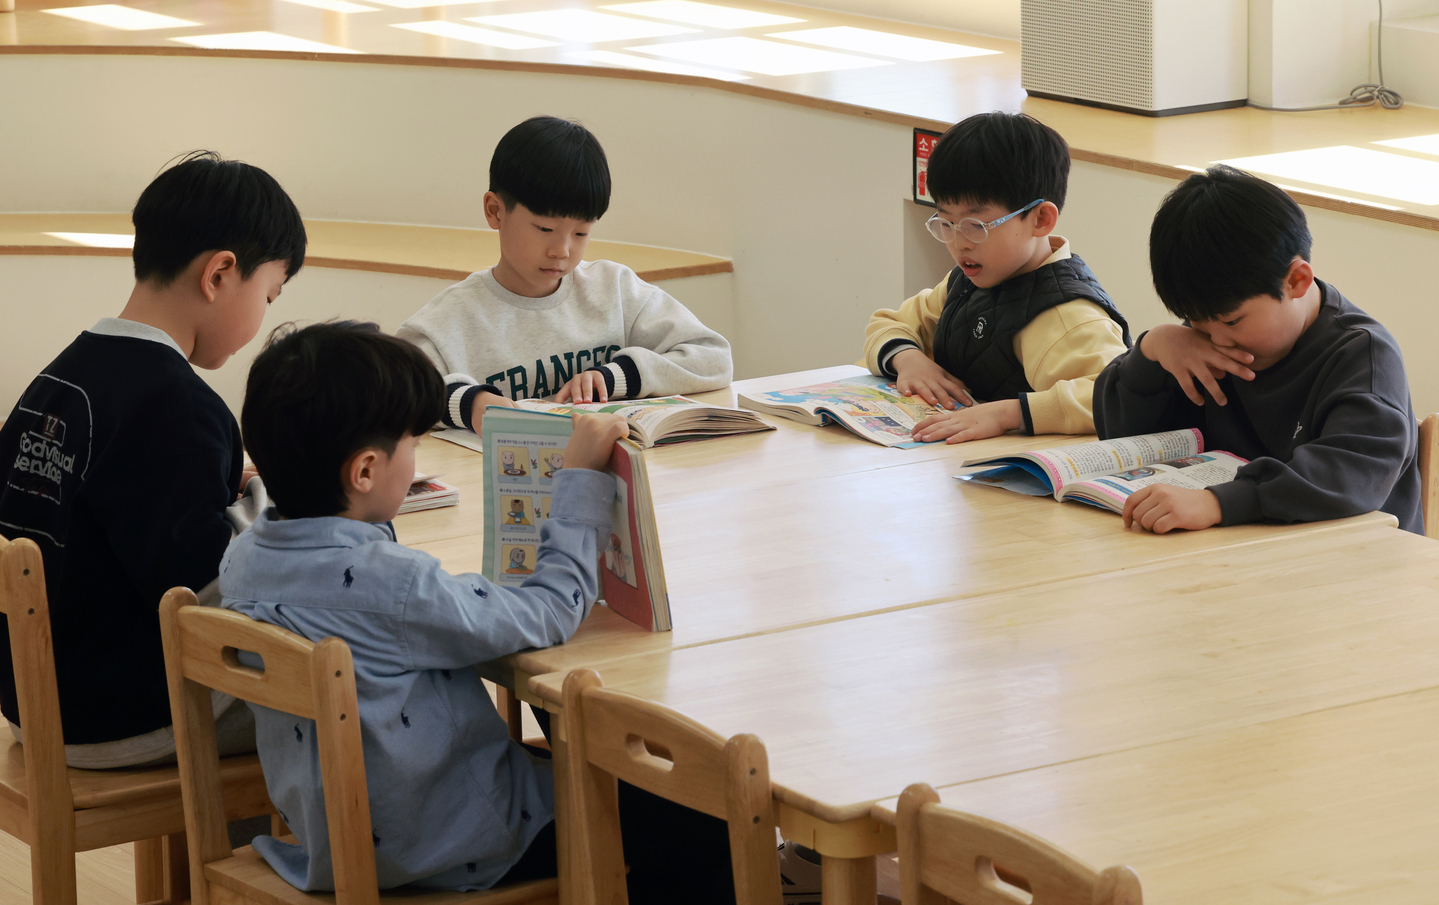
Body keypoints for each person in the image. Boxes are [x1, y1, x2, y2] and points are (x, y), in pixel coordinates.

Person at [224, 322, 737, 903]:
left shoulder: (246, 554)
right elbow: (550, 612)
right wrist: (577, 481)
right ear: (365, 471)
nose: (415, 456)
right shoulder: (397, 589)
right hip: (450, 843)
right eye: (411, 443)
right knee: (697, 809)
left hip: (334, 839)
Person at [0, 151, 305, 767]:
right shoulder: (178, 407)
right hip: (125, 712)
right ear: (220, 274)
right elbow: (214, 605)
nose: (263, 314)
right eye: (268, 295)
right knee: (338, 693)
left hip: (37, 698)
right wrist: (270, 505)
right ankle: (262, 861)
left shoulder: (60, 379)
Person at [1093, 165, 1422, 534]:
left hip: (1354, 568)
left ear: (1297, 280)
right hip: (1234, 554)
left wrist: (1218, 502)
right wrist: (1151, 350)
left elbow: (1349, 473)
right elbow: (1121, 435)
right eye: (1196, 321)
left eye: (1233, 321)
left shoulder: (1363, 356)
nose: (1216, 340)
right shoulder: (1207, 336)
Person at [397, 116, 733, 437]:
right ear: (495, 211)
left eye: (581, 233)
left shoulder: (615, 290)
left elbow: (713, 357)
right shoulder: (448, 321)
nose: (562, 250)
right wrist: (472, 404)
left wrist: (616, 377)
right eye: (545, 228)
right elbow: (398, 397)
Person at [862, 111, 1131, 443]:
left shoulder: (1068, 319)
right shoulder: (965, 282)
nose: (959, 243)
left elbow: (1113, 397)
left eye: (976, 226)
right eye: (946, 224)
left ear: (1041, 219)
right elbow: (887, 323)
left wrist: (1007, 414)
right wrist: (909, 359)